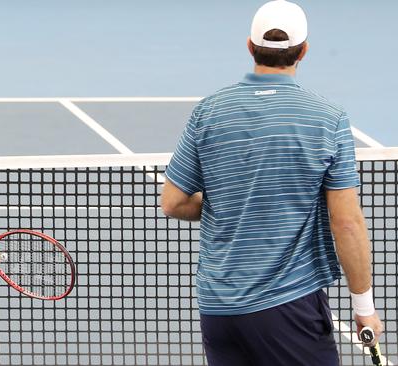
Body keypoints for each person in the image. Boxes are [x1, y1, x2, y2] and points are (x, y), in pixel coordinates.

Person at [160, 1, 383, 365]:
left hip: (219, 312)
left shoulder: (208, 112)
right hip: (289, 306)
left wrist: (231, 202)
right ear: (304, 51)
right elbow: (345, 222)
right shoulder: (328, 119)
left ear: (249, 46)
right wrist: (363, 306)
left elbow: (173, 202)